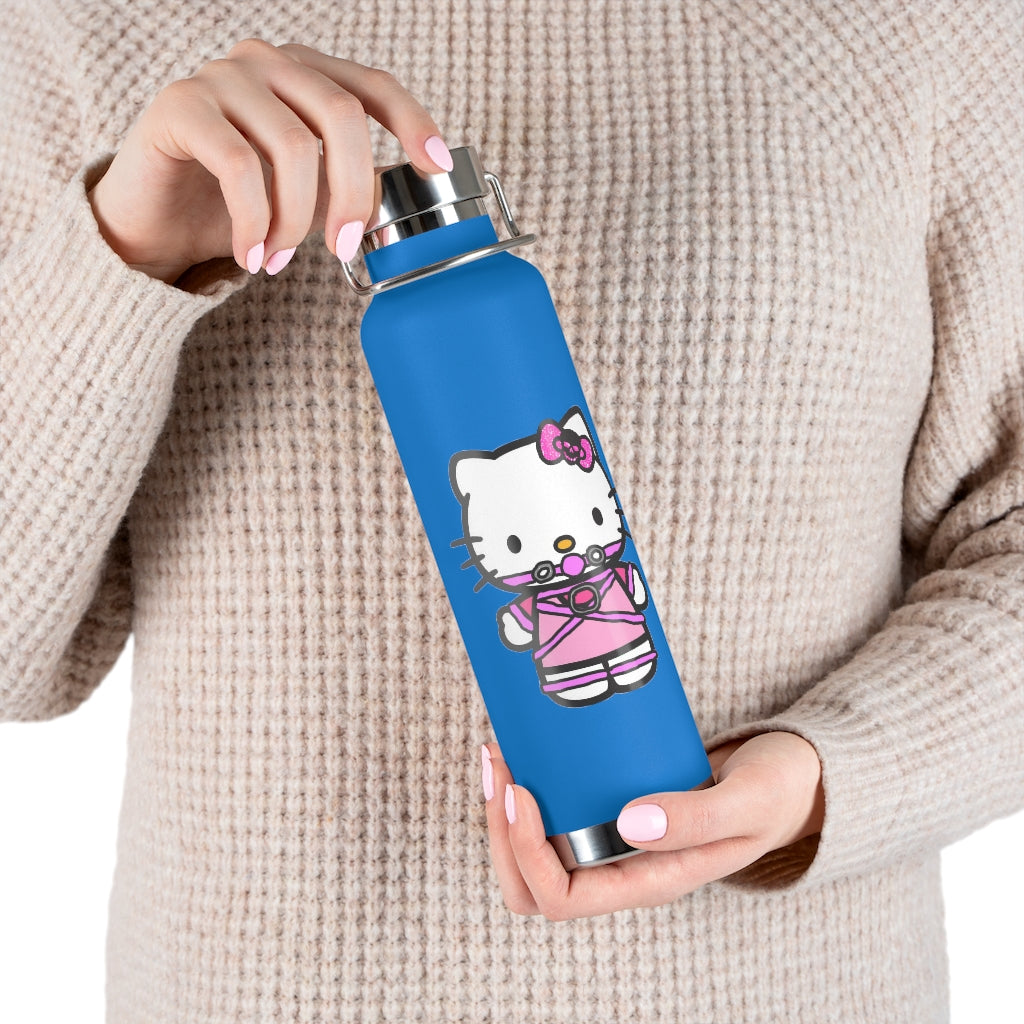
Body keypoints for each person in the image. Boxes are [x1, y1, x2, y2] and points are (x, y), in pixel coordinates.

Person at [1, 1, 1021, 1021]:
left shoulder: (926, 29)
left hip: (794, 991)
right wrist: (118, 257)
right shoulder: (80, 30)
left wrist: (831, 772)